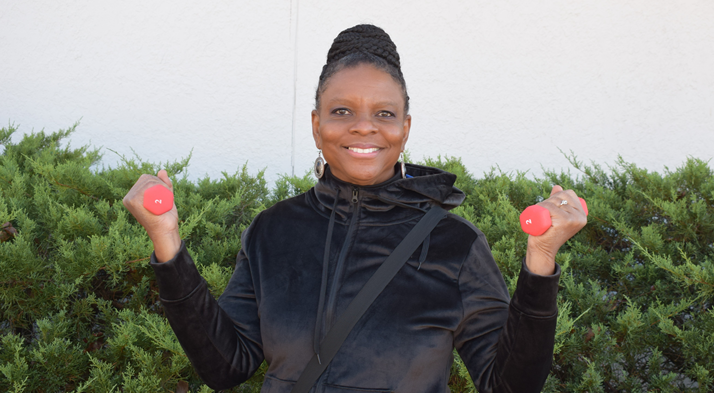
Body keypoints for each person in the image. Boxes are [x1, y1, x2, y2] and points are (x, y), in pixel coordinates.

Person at [123, 24, 587, 393]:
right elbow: (226, 366)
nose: (364, 127)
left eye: (384, 113)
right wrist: (166, 240)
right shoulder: (273, 231)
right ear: (316, 125)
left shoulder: (454, 244)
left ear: (405, 129)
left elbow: (508, 384)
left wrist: (541, 259)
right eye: (342, 111)